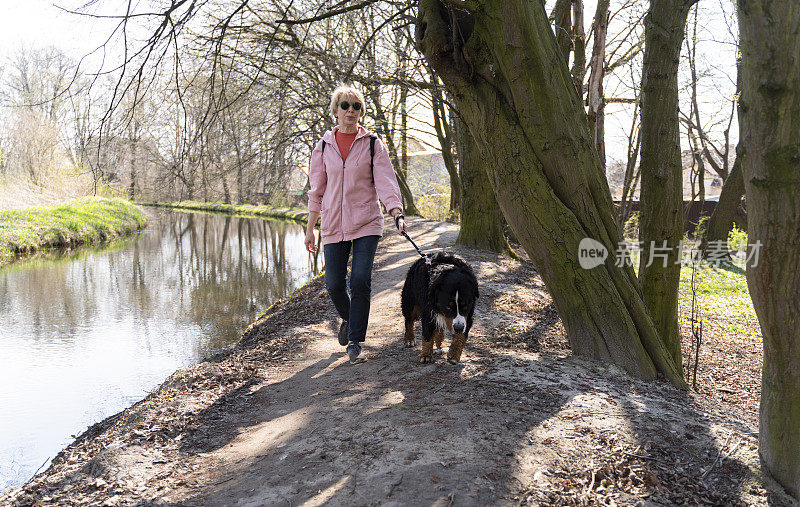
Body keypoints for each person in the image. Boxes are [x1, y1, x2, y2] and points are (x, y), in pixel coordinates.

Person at [304, 85, 408, 364]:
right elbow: (317, 190)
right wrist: (310, 228)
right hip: (334, 223)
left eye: (356, 106)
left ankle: (354, 341)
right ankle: (350, 320)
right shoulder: (323, 145)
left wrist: (396, 212)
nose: (351, 110)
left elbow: (386, 181)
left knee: (360, 280)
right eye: (345, 105)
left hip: (366, 222)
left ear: (361, 111)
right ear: (336, 110)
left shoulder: (373, 143)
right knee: (334, 284)